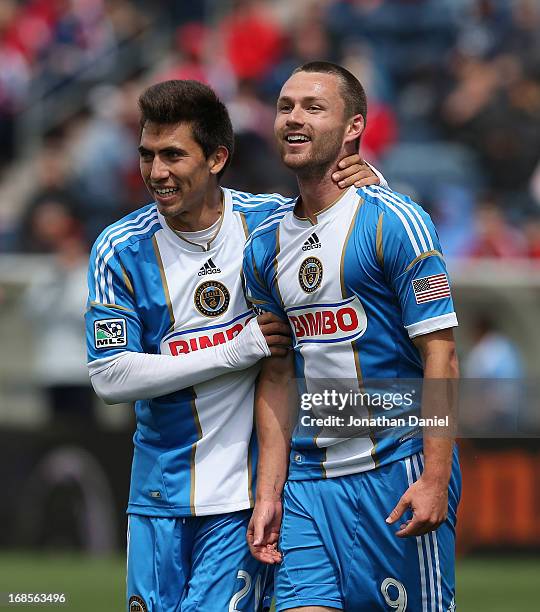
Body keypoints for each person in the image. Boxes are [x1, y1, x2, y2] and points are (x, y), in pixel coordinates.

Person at [84, 79, 383, 611]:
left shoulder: (269, 224)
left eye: (174, 155)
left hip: (243, 500)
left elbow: (345, 224)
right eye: (147, 156)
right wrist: (232, 349)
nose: (157, 173)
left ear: (217, 157)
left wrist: (373, 179)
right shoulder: (119, 249)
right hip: (156, 496)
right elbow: (110, 376)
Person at [243, 61, 461, 612]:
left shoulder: (394, 221)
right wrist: (269, 490)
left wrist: (435, 475)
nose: (294, 118)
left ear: (353, 127)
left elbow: (441, 355)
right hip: (309, 484)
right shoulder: (263, 246)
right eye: (285, 106)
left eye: (314, 107)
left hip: (395, 469)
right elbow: (277, 373)